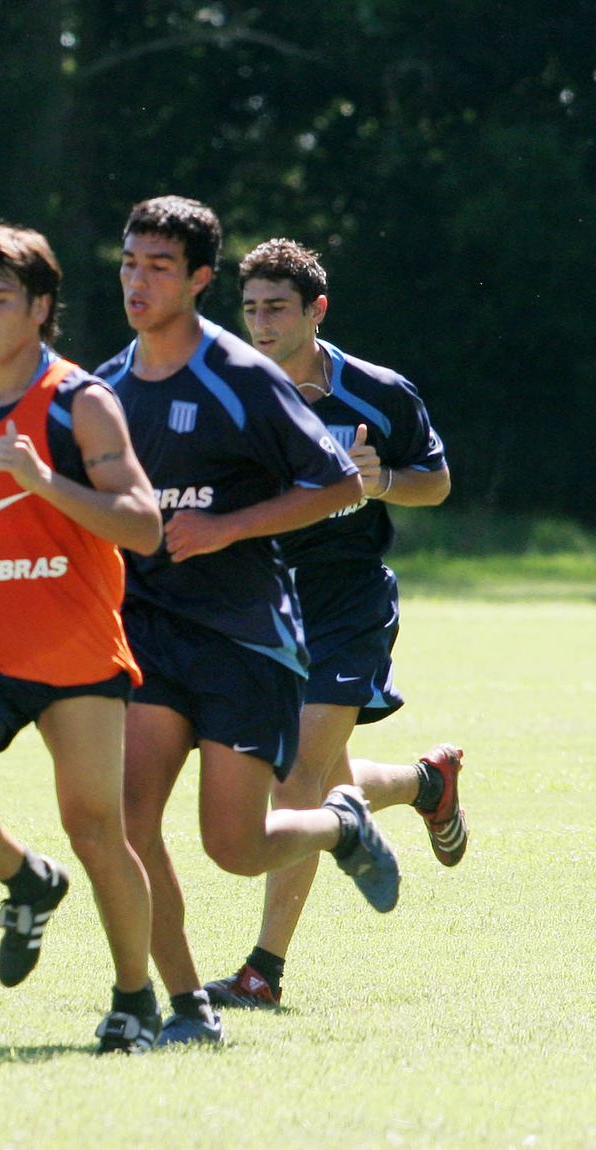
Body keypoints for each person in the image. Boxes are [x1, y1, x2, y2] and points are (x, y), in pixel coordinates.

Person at [95, 196, 392, 1047]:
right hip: (149, 634)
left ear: (197, 280)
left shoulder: (242, 377)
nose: (138, 281)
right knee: (127, 822)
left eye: (158, 266)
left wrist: (225, 526)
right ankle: (185, 1004)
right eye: (128, 263)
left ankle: (341, 822)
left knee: (232, 844)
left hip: (245, 637)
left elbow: (339, 484)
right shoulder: (107, 385)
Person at [0, 223, 165, 1052]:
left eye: (0, 299)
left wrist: (46, 480)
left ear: (41, 308)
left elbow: (146, 526)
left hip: (75, 651)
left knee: (96, 828)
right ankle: (26, 879)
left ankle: (134, 1000)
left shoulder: (81, 401)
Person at [202, 238, 465, 1010]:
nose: (261, 323)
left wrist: (383, 482)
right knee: (331, 783)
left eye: (276, 308)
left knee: (296, 782)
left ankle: (262, 973)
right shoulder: (227, 394)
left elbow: (437, 484)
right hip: (263, 605)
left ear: (317, 310)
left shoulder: (380, 393)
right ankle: (426, 784)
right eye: (250, 309)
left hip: (348, 602)